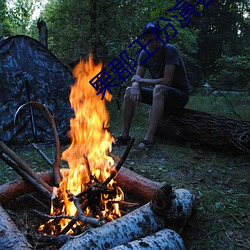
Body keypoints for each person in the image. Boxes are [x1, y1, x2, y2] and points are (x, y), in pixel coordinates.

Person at [115, 21, 191, 149]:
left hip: (179, 95)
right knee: (128, 91)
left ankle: (149, 138)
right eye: (150, 40)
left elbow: (167, 81)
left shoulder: (170, 50)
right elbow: (136, 78)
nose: (154, 43)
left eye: (157, 39)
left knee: (159, 88)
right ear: (144, 40)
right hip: (160, 95)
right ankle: (124, 136)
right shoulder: (144, 54)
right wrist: (134, 85)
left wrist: (140, 81)